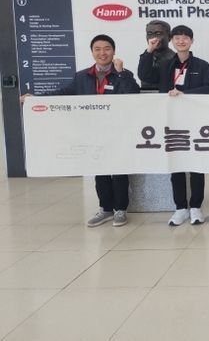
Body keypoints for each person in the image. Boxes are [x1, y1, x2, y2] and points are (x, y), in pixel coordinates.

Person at [22, 34, 140, 227]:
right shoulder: (82, 76)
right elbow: (65, 94)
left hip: (117, 131)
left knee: (119, 170)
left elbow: (133, 94)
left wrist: (120, 73)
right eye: (97, 49)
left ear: (114, 51)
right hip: (92, 131)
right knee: (99, 170)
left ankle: (120, 210)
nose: (102, 53)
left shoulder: (123, 74)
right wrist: (36, 99)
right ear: (92, 52)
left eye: (107, 48)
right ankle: (105, 209)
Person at [138, 24, 209, 226]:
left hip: (195, 121)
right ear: (172, 41)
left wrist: (185, 94)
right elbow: (145, 75)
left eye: (185, 38)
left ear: (192, 41)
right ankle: (180, 208)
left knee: (196, 165)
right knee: (176, 165)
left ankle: (196, 207)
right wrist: (149, 51)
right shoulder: (166, 65)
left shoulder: (202, 65)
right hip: (171, 121)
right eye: (177, 38)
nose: (181, 41)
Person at [138, 20, 175, 92]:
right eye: (149, 34)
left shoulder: (172, 58)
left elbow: (146, 76)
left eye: (158, 34)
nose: (153, 38)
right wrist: (149, 52)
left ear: (169, 37)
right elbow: (142, 75)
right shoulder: (146, 55)